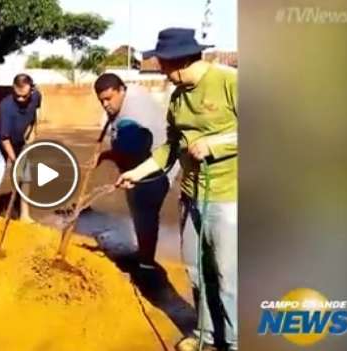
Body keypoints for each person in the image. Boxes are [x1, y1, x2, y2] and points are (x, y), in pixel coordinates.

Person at [116, 28, 238, 351]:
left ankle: (235, 342)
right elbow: (169, 149)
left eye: (164, 65)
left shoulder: (229, 82)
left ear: (180, 61)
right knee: (197, 274)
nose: (162, 71)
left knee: (227, 278)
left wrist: (217, 144)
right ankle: (206, 337)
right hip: (190, 196)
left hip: (229, 197)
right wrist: (137, 172)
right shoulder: (177, 98)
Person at [94, 73, 177, 272]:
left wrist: (108, 155)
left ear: (121, 90)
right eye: (101, 100)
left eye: (109, 98)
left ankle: (146, 264)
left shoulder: (133, 115)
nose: (106, 104)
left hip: (156, 167)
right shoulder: (125, 98)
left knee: (145, 210)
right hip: (143, 163)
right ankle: (144, 253)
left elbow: (134, 150)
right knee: (140, 210)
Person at [0, 73, 40, 222]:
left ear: (31, 90)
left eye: (25, 96)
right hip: (0, 144)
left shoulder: (36, 96)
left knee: (25, 178)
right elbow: (5, 139)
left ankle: (25, 215)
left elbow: (35, 112)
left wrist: (33, 130)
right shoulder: (6, 106)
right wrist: (15, 161)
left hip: (21, 142)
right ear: (13, 90)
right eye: (17, 96)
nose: (21, 100)